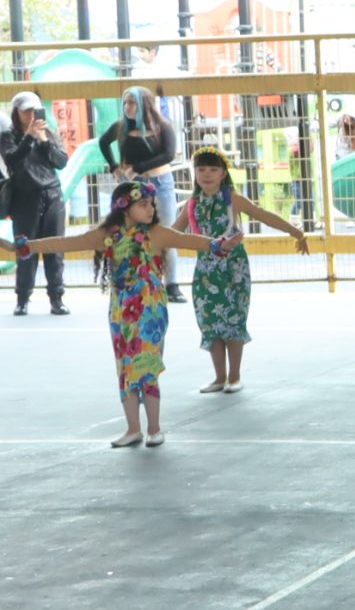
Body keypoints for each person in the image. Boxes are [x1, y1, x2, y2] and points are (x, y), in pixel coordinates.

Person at [15, 179, 233, 447]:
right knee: (126, 369)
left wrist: (216, 244)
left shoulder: (156, 233)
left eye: (151, 204)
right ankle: (133, 429)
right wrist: (29, 246)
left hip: (151, 312)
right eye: (143, 205)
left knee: (147, 368)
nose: (150, 209)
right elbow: (67, 242)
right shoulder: (107, 234)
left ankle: (154, 429)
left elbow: (186, 239)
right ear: (124, 208)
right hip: (121, 313)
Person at [179, 147, 309, 393]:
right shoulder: (192, 204)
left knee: (233, 319)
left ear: (223, 174)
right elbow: (172, 233)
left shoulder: (232, 199)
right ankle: (219, 377)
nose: (207, 174)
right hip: (205, 272)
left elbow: (262, 215)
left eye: (213, 169)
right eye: (201, 169)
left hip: (233, 271)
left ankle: (234, 376)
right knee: (210, 322)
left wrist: (295, 231)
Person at [96, 86, 186, 302]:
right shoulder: (121, 127)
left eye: (132, 103)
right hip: (133, 186)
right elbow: (103, 142)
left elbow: (168, 155)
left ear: (144, 104)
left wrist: (138, 167)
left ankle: (172, 285)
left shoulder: (162, 126)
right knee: (133, 233)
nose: (128, 107)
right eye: (125, 102)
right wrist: (114, 167)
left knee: (166, 232)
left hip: (160, 183)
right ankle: (137, 280)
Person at [4, 91, 70, 316]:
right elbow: (12, 159)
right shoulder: (8, 136)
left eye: (34, 110)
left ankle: (56, 298)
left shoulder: (48, 133)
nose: (30, 115)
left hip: (52, 195)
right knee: (25, 249)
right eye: (25, 110)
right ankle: (22, 298)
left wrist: (43, 140)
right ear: (17, 112)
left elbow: (61, 161)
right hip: (24, 198)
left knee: (55, 249)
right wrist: (29, 137)